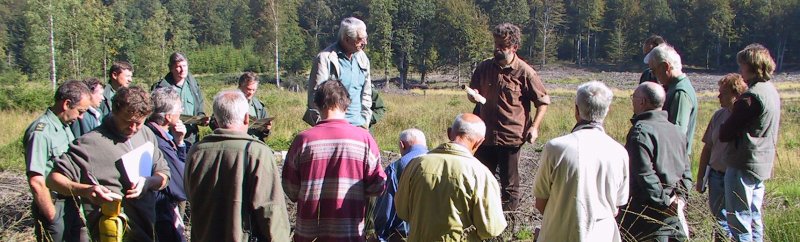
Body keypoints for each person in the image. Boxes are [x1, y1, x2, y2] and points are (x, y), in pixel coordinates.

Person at [47, 86, 171, 241]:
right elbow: (53, 180)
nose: (133, 128)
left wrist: (149, 182)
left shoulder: (146, 133)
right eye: (127, 121)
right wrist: (86, 191)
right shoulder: (88, 143)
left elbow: (164, 174)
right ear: (114, 112)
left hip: (148, 231)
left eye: (138, 123)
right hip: (111, 234)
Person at [283, 80, 386, 241]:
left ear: (316, 104)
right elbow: (377, 186)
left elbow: (291, 188)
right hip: (349, 233)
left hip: (309, 234)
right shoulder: (364, 139)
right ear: (346, 104)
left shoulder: (303, 140)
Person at [185, 90, 290, 241]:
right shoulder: (257, 152)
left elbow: (189, 194)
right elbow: (271, 210)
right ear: (247, 118)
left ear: (216, 119)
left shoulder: (196, 152)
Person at [532, 81, 629, 241]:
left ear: (576, 110)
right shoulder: (620, 152)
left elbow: (540, 201)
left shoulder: (556, 148)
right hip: (601, 235)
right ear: (607, 111)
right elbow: (617, 205)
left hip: (559, 234)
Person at [468, 22, 550, 211]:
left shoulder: (525, 72)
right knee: (480, 181)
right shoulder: (484, 68)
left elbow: (543, 102)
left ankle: (509, 223)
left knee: (509, 187)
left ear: (514, 47)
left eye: (503, 46)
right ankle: (481, 220)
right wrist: (472, 95)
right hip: (484, 136)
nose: (497, 49)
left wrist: (534, 127)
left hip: (510, 138)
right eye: (496, 45)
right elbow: (473, 93)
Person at [395, 113, 507, 241]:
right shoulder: (481, 174)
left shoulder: (416, 164)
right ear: (480, 141)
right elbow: (490, 229)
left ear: (449, 133)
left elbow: (402, 211)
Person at [719, 44, 781, 242]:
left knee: (739, 220)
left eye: (742, 65)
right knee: (754, 217)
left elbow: (726, 133)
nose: (740, 70)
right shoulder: (771, 91)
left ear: (752, 66)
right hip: (761, 163)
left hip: (743, 162)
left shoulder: (750, 97)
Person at [617, 82, 693, 241]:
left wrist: (664, 203)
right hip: (673, 218)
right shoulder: (676, 131)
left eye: (634, 97)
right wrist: (679, 200)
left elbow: (645, 174)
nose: (632, 101)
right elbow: (686, 172)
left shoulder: (641, 132)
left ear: (642, 102)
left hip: (646, 219)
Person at [23, 80, 91, 242]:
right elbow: (36, 181)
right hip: (54, 203)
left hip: (71, 202)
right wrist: (52, 216)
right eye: (80, 111)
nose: (81, 117)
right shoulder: (41, 133)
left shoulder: (64, 126)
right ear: (66, 104)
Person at [695, 73, 748, 240]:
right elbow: (707, 147)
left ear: (736, 94)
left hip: (736, 177)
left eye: (723, 93)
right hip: (715, 176)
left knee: (739, 221)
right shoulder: (718, 115)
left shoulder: (746, 117)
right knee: (719, 222)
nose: (719, 97)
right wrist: (701, 177)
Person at [303, 17, 372, 128]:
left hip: (359, 126)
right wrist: (323, 126)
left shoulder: (363, 58)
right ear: (346, 39)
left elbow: (367, 93)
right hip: (333, 128)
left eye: (365, 38)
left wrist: (365, 122)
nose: (365, 43)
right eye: (360, 39)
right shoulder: (325, 58)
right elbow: (315, 97)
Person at [146, 87, 189, 242]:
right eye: (179, 109)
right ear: (168, 117)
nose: (181, 111)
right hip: (161, 215)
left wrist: (179, 142)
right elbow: (181, 185)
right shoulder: (160, 143)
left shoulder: (150, 133)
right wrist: (181, 147)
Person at [373, 128, 428, 242]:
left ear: (402, 145)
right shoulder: (439, 164)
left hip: (404, 235)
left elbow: (386, 209)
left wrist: (380, 236)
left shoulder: (397, 167)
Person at [645, 44, 698, 153]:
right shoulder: (673, 87)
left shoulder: (680, 92)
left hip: (674, 158)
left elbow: (677, 134)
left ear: (665, 67)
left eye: (653, 70)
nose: (653, 75)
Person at [152, 52, 207, 144]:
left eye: (184, 66)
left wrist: (202, 119)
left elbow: (199, 110)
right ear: (171, 68)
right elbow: (156, 116)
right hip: (170, 137)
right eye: (178, 66)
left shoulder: (193, 86)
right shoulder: (162, 89)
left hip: (191, 137)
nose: (182, 70)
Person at [237, 71, 272, 140]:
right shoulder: (229, 102)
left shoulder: (258, 105)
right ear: (240, 87)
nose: (251, 92)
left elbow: (264, 134)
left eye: (254, 90)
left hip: (255, 143)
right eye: (248, 89)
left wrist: (266, 129)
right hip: (237, 141)